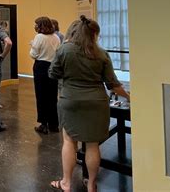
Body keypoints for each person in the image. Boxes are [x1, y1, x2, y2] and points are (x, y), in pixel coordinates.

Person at [48, 16, 129, 192]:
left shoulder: (64, 50)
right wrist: (129, 97)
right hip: (97, 102)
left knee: (69, 141)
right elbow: (113, 84)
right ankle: (91, 184)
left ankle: (66, 183)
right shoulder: (101, 54)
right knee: (93, 145)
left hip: (70, 100)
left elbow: (52, 73)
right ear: (94, 34)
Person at [30, 16, 61, 134]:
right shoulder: (56, 37)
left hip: (41, 67)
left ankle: (43, 124)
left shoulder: (39, 37)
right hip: (52, 67)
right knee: (52, 97)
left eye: (36, 24)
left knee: (41, 96)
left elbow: (33, 54)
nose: (35, 26)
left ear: (41, 26)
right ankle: (54, 124)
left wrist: (33, 45)